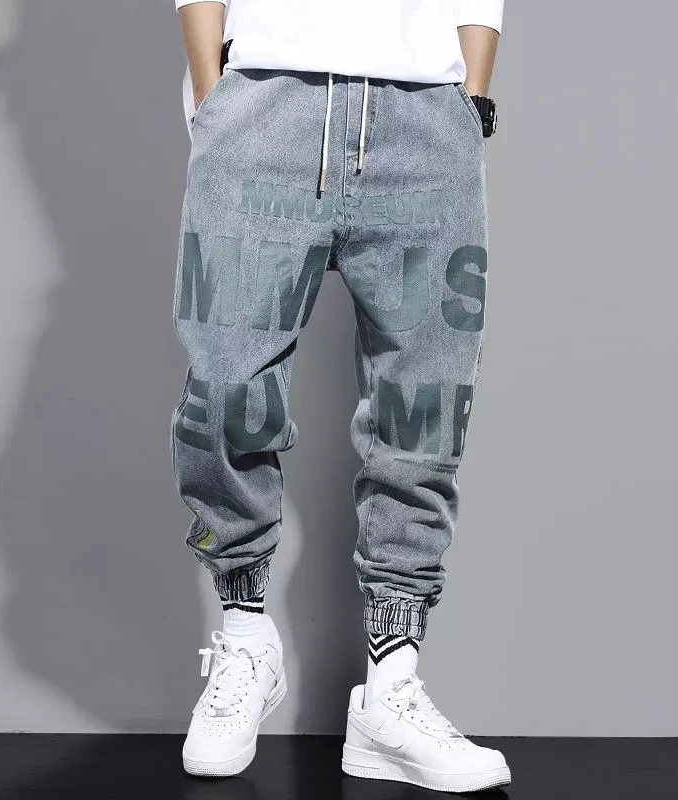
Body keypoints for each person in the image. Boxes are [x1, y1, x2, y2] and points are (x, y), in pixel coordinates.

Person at [171, 0, 509, 792]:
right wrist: (214, 96)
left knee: (424, 408)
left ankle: (392, 688)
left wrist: (472, 102)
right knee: (224, 390)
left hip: (426, 117)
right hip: (265, 104)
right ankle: (245, 636)